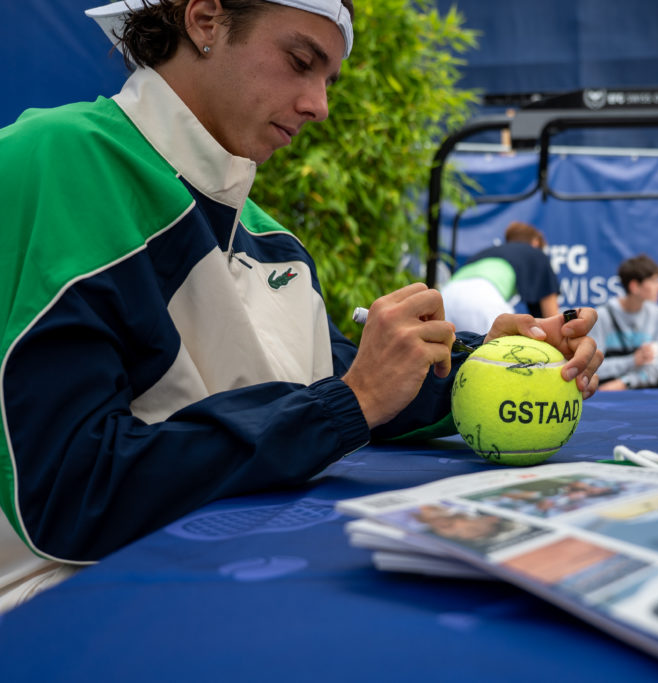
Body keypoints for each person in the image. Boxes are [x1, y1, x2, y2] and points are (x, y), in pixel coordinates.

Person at [0, 0, 601, 603]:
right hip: (63, 610)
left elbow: (322, 382)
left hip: (220, 590)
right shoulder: (52, 158)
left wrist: (484, 363)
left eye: (328, 79)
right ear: (205, 20)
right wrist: (350, 404)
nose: (320, 105)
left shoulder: (270, 241)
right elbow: (72, 493)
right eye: (300, 61)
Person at [440, 221, 561, 334]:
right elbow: (552, 318)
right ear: (535, 242)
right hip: (482, 299)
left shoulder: (487, 252)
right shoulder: (536, 253)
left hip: (445, 296)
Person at [591, 254, 658, 391]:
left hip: (644, 393)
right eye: (654, 281)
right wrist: (633, 361)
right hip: (603, 394)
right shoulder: (601, 316)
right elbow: (591, 367)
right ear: (634, 286)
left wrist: (624, 383)